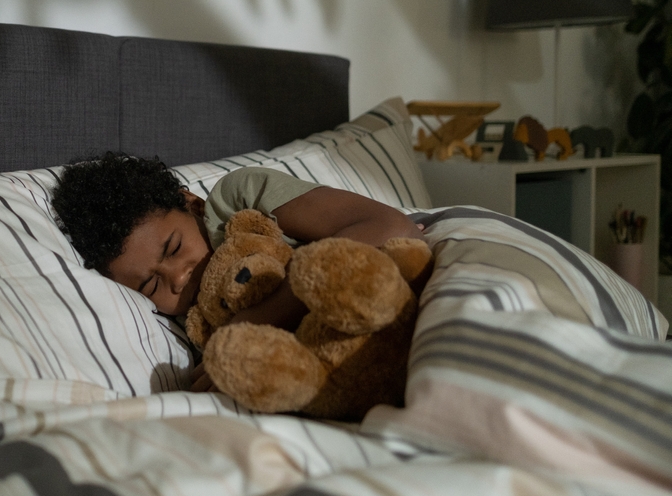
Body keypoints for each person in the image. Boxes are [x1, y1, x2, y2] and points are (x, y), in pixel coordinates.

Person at [50, 152, 425, 391]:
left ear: (192, 205)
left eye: (175, 248)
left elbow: (389, 226)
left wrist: (255, 320)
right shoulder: (191, 328)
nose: (178, 279)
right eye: (151, 284)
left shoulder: (236, 201)